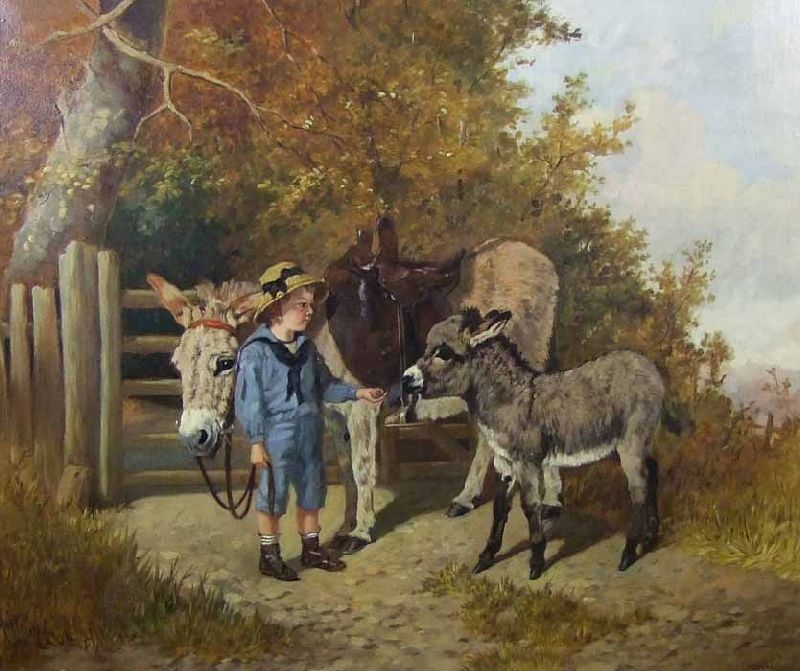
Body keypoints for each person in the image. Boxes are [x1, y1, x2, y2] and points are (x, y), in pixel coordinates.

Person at [235, 261, 386, 581]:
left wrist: (357, 393)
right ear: (276, 309)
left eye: (310, 304)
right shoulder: (255, 352)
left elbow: (325, 385)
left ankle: (312, 549)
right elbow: (249, 400)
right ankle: (270, 555)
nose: (309, 311)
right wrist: (257, 441)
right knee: (272, 494)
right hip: (276, 432)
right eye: (301, 305)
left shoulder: (307, 349)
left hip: (309, 428)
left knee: (312, 490)